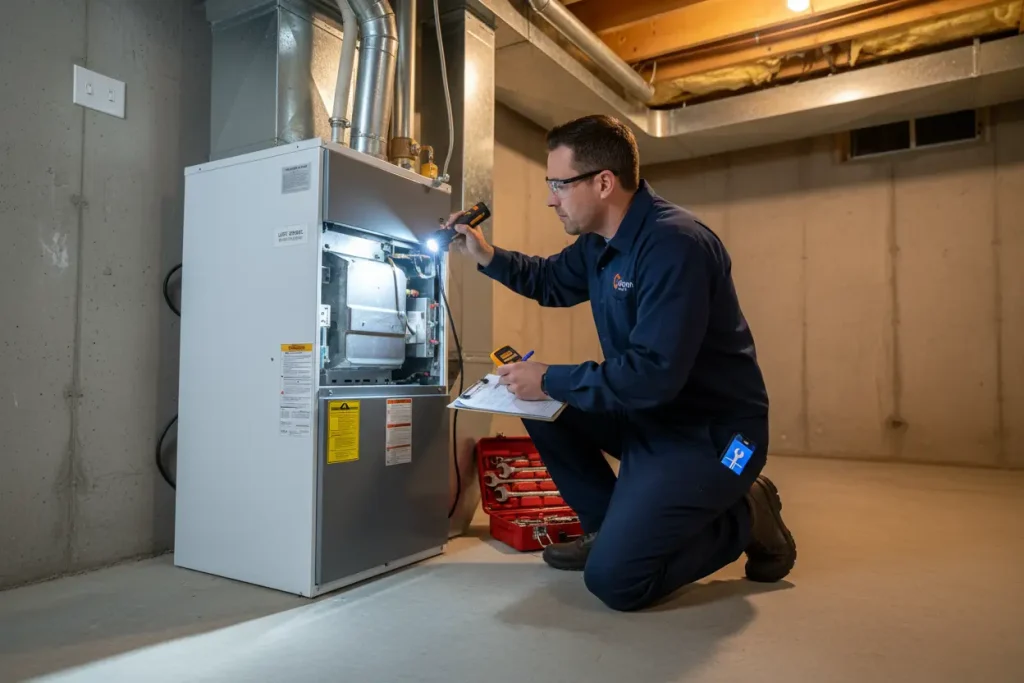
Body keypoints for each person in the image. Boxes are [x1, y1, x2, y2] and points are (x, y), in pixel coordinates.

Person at [447, 114, 796, 612]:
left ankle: (746, 512)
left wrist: (550, 377)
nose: (550, 198)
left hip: (713, 436)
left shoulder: (676, 245)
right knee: (541, 407)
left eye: (558, 184)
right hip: (650, 415)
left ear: (604, 183)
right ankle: (608, 528)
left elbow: (653, 374)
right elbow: (550, 280)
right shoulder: (601, 244)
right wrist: (484, 254)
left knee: (618, 582)